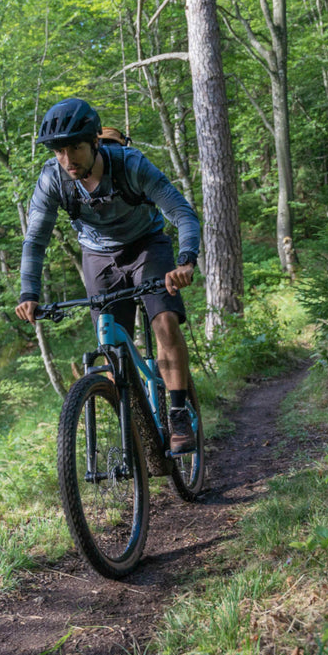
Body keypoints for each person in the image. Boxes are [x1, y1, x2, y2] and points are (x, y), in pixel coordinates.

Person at [15, 98, 201, 451]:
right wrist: (29, 293)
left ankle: (178, 412)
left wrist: (186, 260)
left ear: (95, 142)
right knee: (111, 346)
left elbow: (182, 212)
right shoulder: (52, 179)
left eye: (75, 149)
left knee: (164, 322)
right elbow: (35, 240)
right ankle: (134, 426)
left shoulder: (130, 165)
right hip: (98, 256)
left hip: (147, 244)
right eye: (59, 152)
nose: (68, 160)